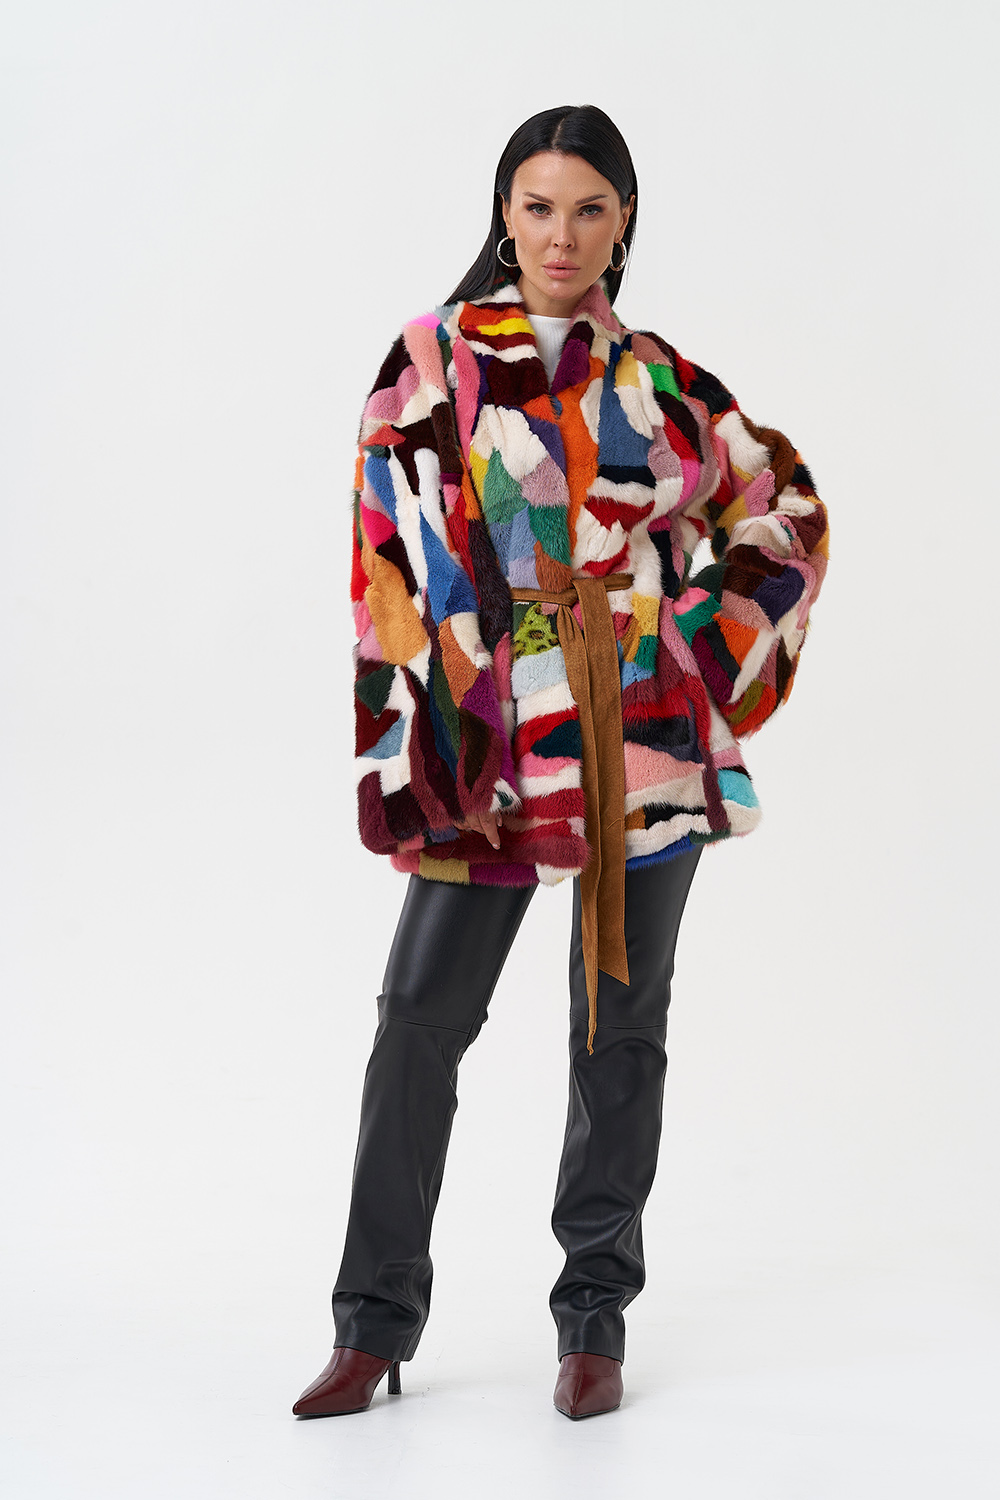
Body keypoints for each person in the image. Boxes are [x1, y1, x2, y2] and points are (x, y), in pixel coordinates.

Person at [292, 104, 829, 1422]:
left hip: (639, 733)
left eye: (589, 209)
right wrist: (436, 741)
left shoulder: (663, 382)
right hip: (486, 730)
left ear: (624, 221)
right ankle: (372, 1324)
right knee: (419, 1022)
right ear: (504, 213)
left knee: (619, 1030)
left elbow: (785, 508)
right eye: (538, 207)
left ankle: (595, 1319)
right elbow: (389, 566)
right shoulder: (432, 363)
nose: (561, 236)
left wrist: (689, 644)